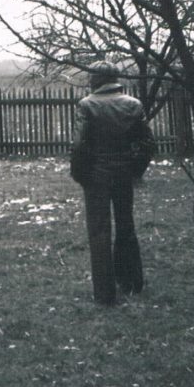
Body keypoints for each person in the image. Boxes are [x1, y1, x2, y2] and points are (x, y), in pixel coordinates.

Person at [70, 61, 155, 306]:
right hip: (123, 173)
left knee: (99, 231)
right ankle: (132, 281)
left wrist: (80, 174)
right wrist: (135, 170)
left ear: (96, 79)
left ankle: (104, 293)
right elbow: (148, 144)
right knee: (126, 226)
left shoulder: (87, 105)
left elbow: (78, 146)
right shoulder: (133, 105)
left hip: (96, 176)